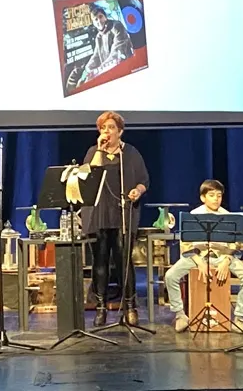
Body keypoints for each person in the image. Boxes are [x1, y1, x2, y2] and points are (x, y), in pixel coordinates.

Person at [81, 111, 149, 326]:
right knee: (100, 261)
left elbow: (143, 180)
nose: (107, 131)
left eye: (111, 127)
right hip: (99, 213)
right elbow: (88, 176)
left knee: (123, 261)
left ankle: (130, 306)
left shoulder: (131, 153)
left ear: (120, 131)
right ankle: (101, 308)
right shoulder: (93, 152)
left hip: (123, 213)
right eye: (103, 128)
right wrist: (100, 150)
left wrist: (137, 191)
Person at [164, 179, 243, 334]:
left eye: (219, 195)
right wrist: (199, 262)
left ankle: (239, 319)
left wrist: (226, 260)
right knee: (170, 275)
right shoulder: (194, 215)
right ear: (203, 197)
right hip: (197, 255)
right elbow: (186, 244)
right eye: (211, 195)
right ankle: (180, 316)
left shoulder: (228, 216)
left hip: (222, 256)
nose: (216, 199)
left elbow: (235, 244)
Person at [66, 5, 134, 90]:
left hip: (123, 67)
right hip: (107, 70)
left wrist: (100, 69)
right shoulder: (99, 37)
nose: (99, 21)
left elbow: (118, 50)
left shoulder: (116, 26)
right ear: (94, 23)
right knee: (81, 82)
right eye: (96, 19)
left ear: (105, 17)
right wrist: (87, 70)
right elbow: (96, 56)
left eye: (100, 17)